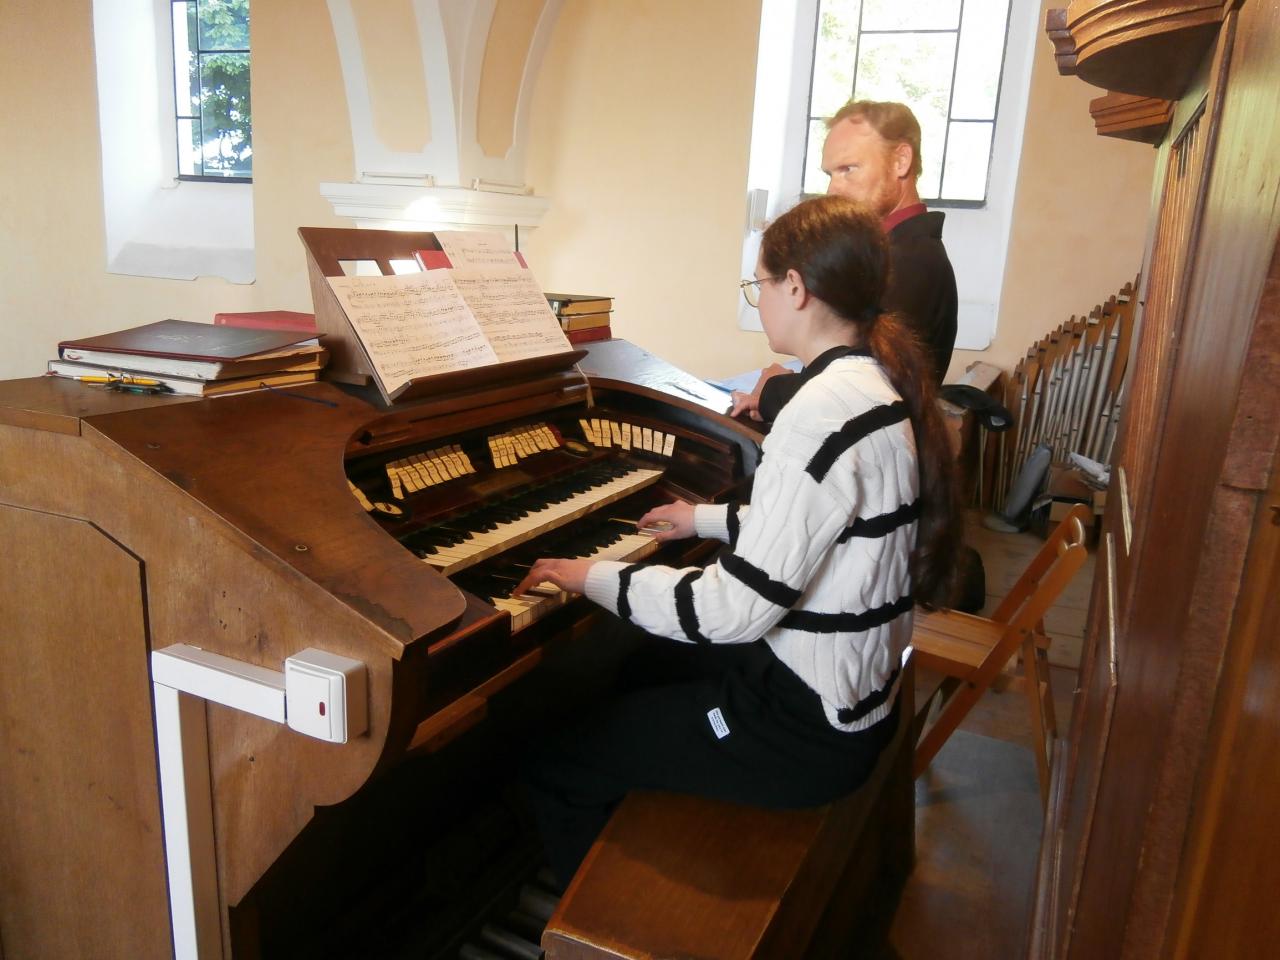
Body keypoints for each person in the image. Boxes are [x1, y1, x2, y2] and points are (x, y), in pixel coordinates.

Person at [514, 195, 960, 888]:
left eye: (761, 284)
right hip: (847, 701)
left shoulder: (819, 409)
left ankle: (609, 913)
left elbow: (732, 611)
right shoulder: (871, 384)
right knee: (640, 669)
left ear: (796, 288)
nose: (761, 300)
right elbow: (819, 526)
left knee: (558, 756)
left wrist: (591, 577)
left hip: (803, 732)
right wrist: (705, 521)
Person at [732, 100, 959, 423]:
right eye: (830, 174)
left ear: (901, 161)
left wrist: (774, 390)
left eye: (848, 169)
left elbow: (864, 389)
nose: (833, 189)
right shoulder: (887, 253)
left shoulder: (912, 260)